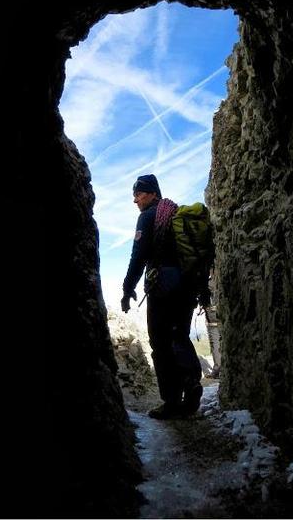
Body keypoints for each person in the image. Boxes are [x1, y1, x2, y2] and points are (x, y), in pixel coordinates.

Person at [121, 174, 203, 419]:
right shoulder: (175, 214)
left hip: (163, 285)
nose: (135, 200)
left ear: (152, 193)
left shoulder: (147, 217)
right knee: (179, 335)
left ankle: (171, 402)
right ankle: (191, 383)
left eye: (139, 194)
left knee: (160, 342)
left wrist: (127, 288)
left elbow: (138, 257)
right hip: (186, 285)